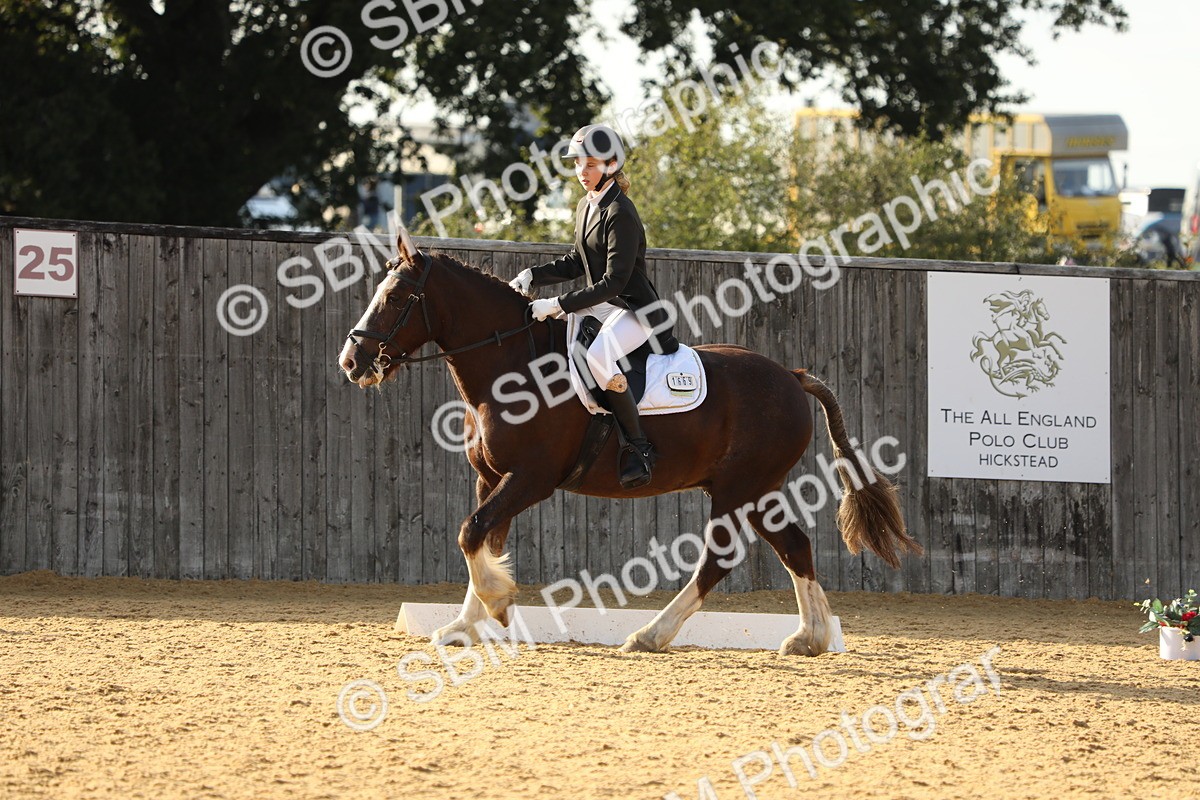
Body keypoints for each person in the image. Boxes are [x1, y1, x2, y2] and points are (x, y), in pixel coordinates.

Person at [509, 124, 676, 489]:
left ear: (612, 163)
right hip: (603, 305)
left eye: (589, 164)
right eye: (577, 164)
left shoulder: (621, 212)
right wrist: (532, 276)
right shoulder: (588, 206)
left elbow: (614, 282)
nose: (581, 172)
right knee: (551, 335)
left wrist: (557, 304)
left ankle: (638, 446)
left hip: (634, 310)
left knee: (599, 356)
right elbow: (575, 262)